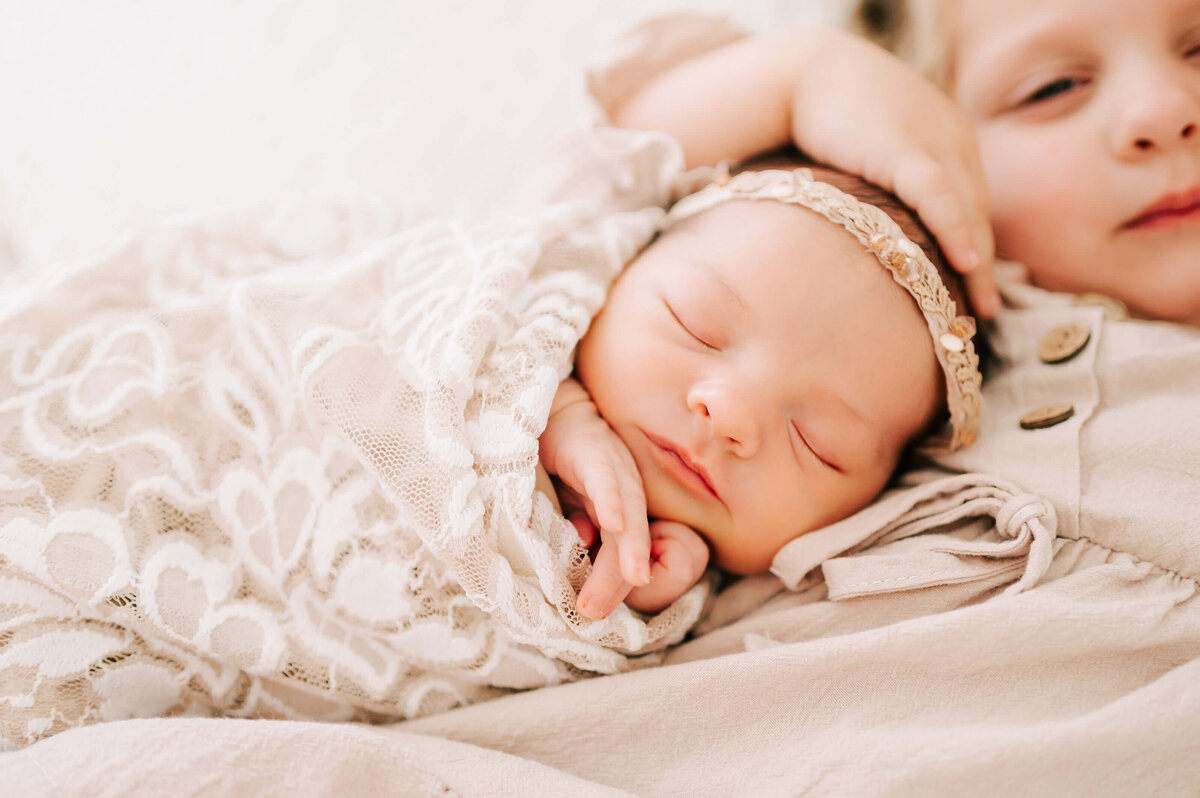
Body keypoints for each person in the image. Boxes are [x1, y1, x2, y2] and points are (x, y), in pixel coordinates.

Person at [539, 157, 983, 620]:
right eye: (696, 326)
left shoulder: (746, 618)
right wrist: (550, 414)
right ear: (627, 263)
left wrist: (648, 615)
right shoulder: (519, 326)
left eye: (815, 442)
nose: (732, 414)